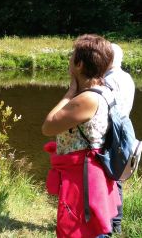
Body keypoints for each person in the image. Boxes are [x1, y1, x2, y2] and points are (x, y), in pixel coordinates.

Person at [42, 34, 121, 238]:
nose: (69, 60)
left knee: (79, 228)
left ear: (79, 64)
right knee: (90, 226)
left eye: (72, 56)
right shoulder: (104, 90)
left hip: (82, 176)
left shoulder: (86, 98)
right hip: (92, 170)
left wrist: (69, 93)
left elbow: (48, 126)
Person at [105, 43, 135, 234]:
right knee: (117, 177)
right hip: (125, 131)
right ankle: (115, 224)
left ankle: (110, 223)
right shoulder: (127, 77)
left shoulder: (109, 80)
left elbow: (107, 112)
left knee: (109, 178)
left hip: (111, 133)